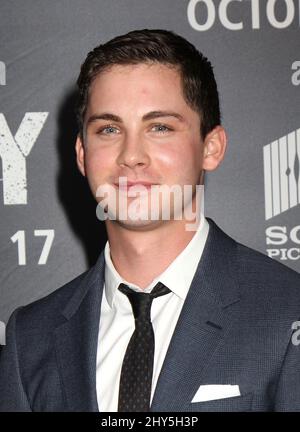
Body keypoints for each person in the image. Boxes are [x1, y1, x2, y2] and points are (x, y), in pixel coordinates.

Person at [1, 29, 300, 413]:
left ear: (212, 147)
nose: (131, 155)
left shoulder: (288, 310)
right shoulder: (31, 337)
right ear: (81, 154)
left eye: (159, 127)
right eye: (109, 129)